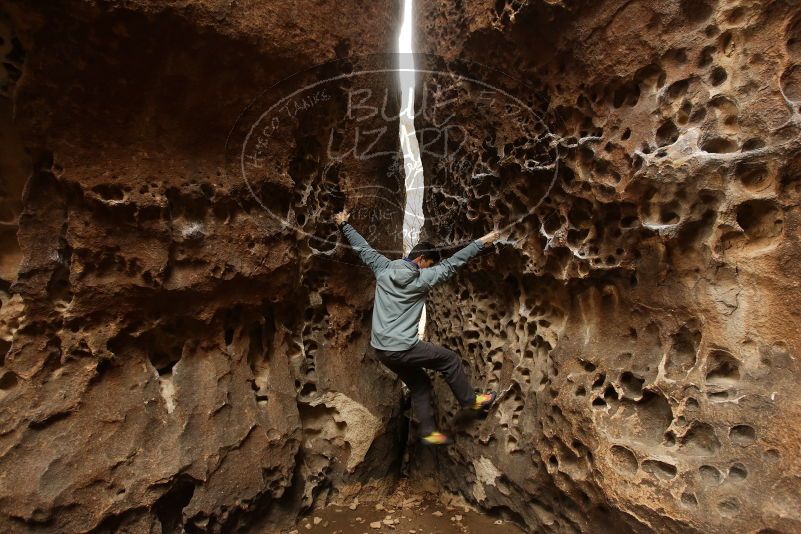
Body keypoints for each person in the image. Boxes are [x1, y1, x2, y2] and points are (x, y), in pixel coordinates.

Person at [334, 208, 500, 446]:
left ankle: (429, 432)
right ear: (421, 259)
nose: (427, 269)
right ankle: (471, 402)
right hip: (402, 347)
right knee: (449, 360)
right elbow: (453, 264)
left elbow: (363, 248)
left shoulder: (383, 268)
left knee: (420, 384)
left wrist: (344, 225)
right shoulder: (420, 280)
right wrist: (482, 242)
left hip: (382, 350)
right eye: (428, 264)